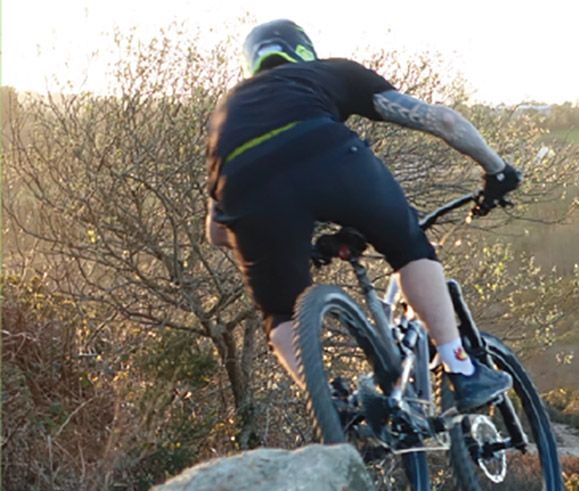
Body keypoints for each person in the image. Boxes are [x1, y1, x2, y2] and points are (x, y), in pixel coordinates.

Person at [204, 19, 519, 412]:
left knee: (281, 314)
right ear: (304, 50)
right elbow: (444, 120)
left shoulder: (226, 114)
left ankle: (333, 406)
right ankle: (462, 369)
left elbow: (217, 233)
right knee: (409, 248)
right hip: (328, 155)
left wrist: (293, 247)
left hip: (244, 185)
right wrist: (497, 170)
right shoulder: (328, 72)